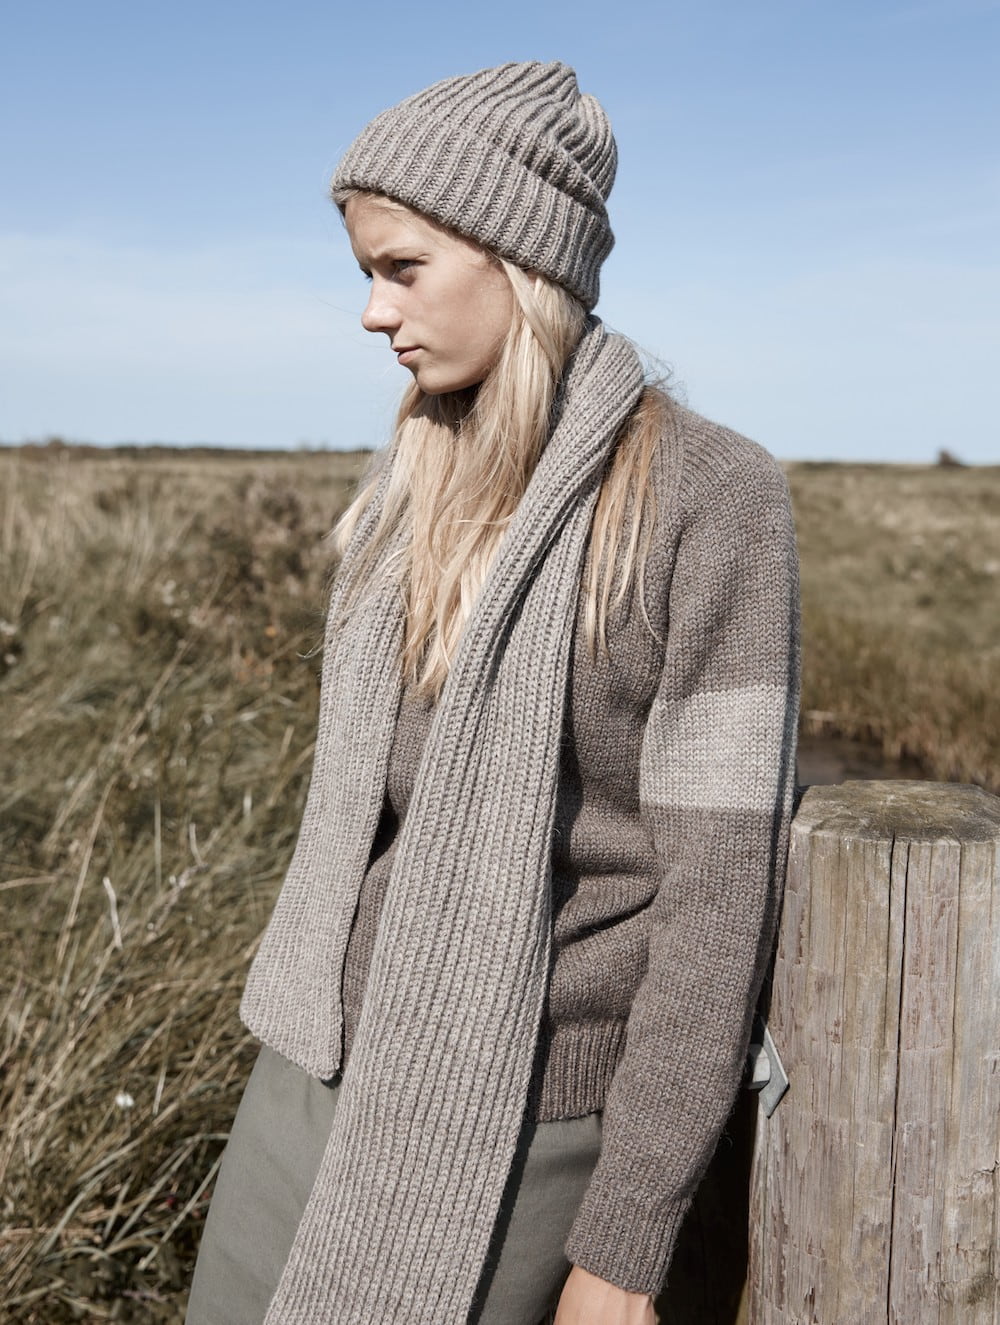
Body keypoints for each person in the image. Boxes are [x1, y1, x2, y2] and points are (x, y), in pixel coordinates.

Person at [186, 60, 800, 1325]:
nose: (373, 312)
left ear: (518, 255)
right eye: (367, 272)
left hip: (526, 1106)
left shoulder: (710, 499)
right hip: (309, 1064)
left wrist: (625, 1239)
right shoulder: (411, 479)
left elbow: (717, 903)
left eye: (401, 268)